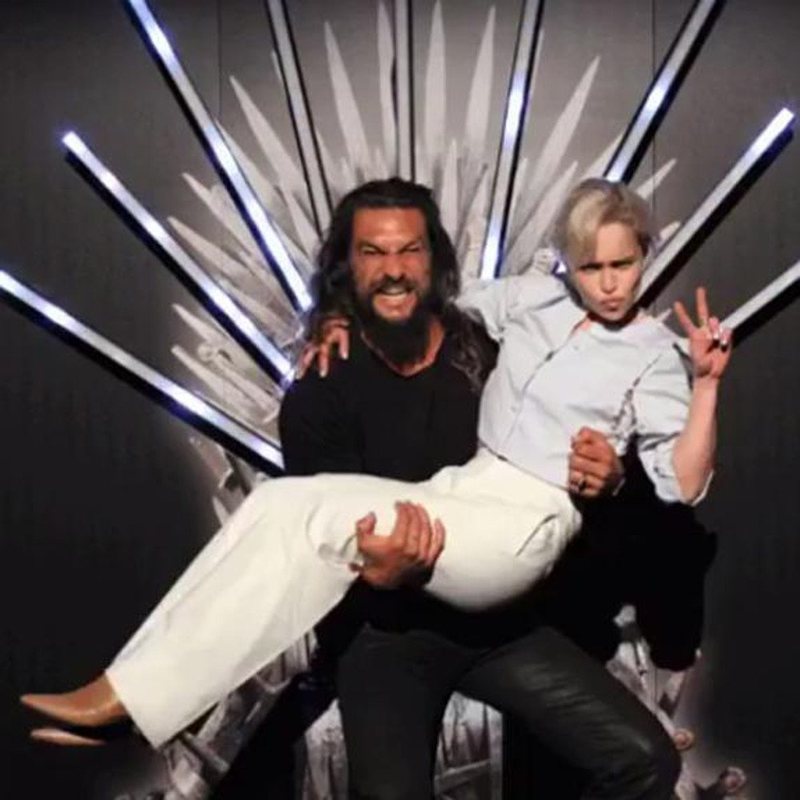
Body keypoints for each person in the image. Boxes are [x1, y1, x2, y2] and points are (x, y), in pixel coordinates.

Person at [22, 177, 729, 798]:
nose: (609, 283)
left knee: (642, 759)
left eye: (623, 264)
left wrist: (700, 390)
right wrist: (333, 318)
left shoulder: (621, 354)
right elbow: (446, 300)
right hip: (402, 605)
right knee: (277, 503)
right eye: (592, 266)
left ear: (645, 255)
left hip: (512, 555)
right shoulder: (517, 310)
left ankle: (136, 702)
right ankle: (135, 699)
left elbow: (684, 483)